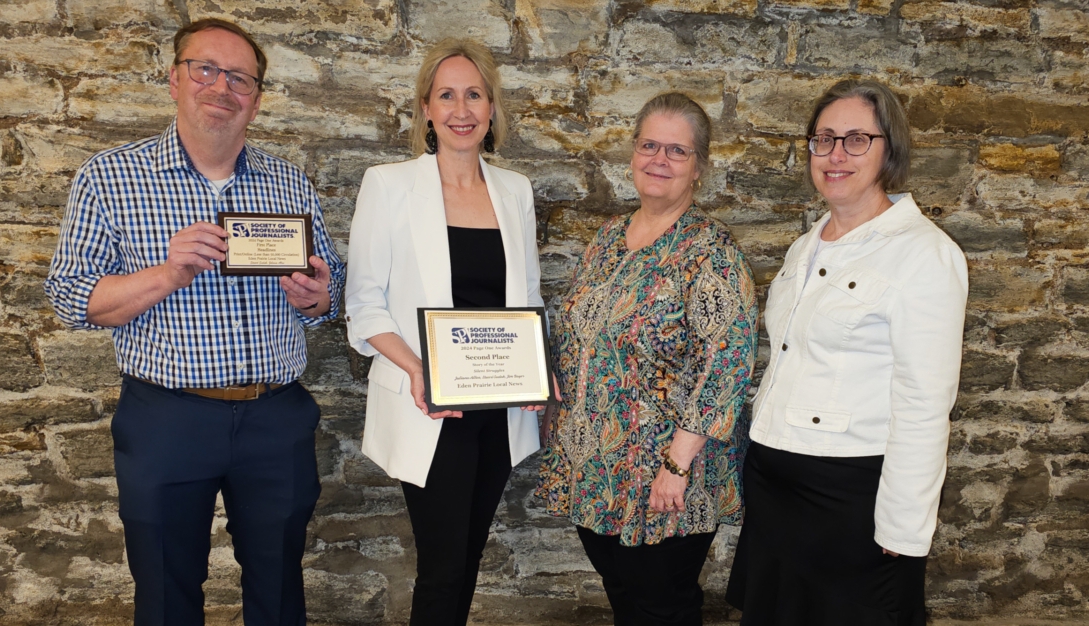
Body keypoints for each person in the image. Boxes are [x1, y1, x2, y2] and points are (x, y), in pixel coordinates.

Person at [44, 18, 346, 626]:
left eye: (239, 78)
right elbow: (72, 298)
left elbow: (329, 298)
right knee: (163, 589)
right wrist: (165, 274)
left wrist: (316, 295)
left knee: (280, 587)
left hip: (274, 416)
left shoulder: (289, 182)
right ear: (175, 79)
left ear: (255, 100)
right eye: (205, 70)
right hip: (165, 419)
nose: (221, 87)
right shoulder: (109, 178)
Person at [724, 79, 968, 625]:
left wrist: (903, 529)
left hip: (849, 495)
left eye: (857, 139)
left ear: (890, 150)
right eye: (824, 138)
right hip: (775, 480)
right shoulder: (806, 245)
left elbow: (925, 402)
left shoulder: (925, 255)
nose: (836, 154)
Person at [536, 92, 758, 626]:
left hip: (668, 474)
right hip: (595, 466)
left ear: (699, 167)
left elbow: (725, 365)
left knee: (663, 606)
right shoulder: (608, 238)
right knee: (625, 597)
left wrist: (677, 466)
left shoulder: (713, 252)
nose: (659, 159)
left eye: (676, 151)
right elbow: (580, 332)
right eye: (649, 145)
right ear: (633, 153)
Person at [343, 39, 545, 626]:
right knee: (441, 568)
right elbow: (364, 303)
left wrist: (538, 369)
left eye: (474, 95)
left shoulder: (515, 191)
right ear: (426, 109)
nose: (462, 109)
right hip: (429, 406)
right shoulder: (389, 185)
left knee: (468, 558)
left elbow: (527, 298)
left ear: (491, 108)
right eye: (447, 95)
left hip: (499, 405)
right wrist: (417, 370)